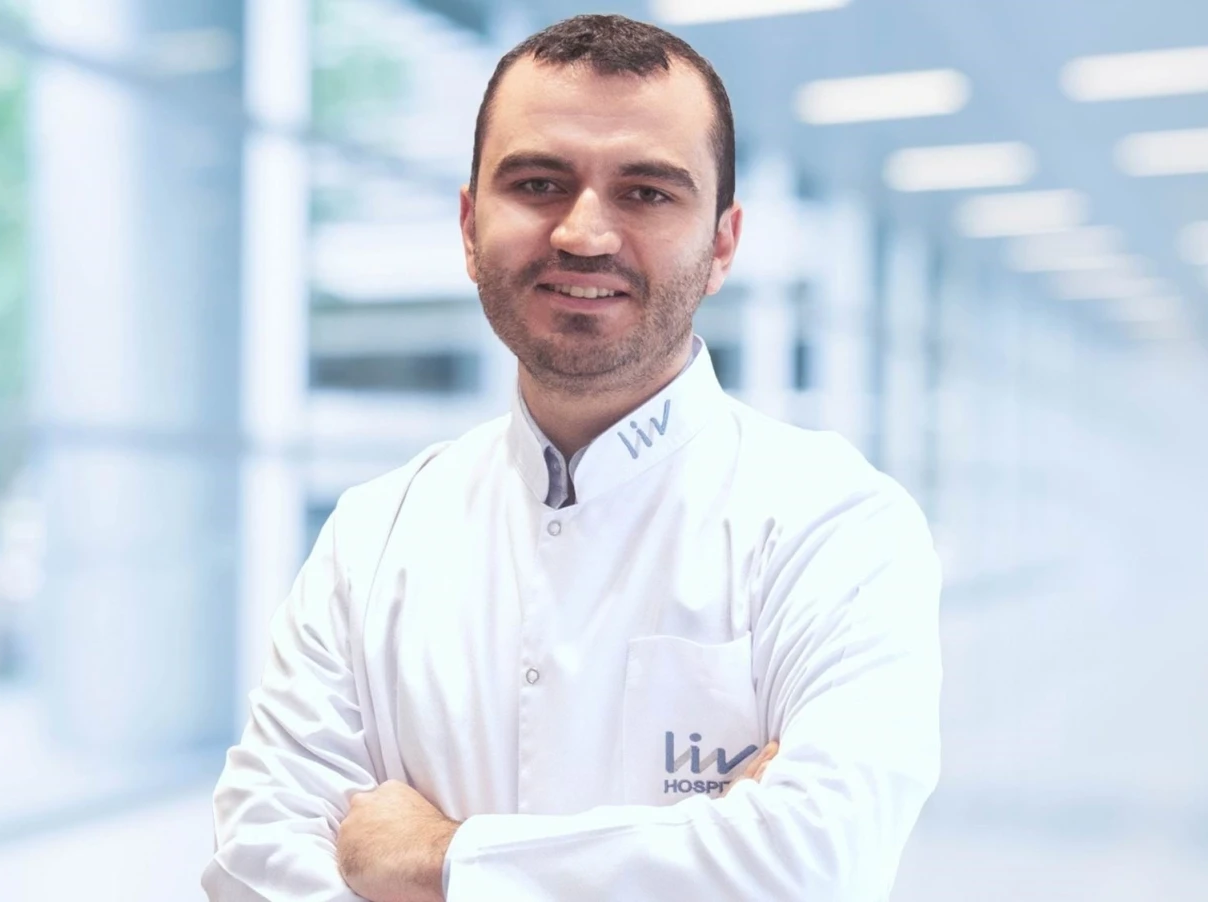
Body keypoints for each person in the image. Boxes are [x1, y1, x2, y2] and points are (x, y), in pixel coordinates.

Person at [202, 13, 941, 902]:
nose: (584, 234)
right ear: (469, 225)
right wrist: (700, 852)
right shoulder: (373, 536)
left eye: (647, 193)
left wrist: (439, 859)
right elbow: (254, 862)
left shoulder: (836, 525)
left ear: (722, 244)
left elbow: (814, 864)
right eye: (539, 184)